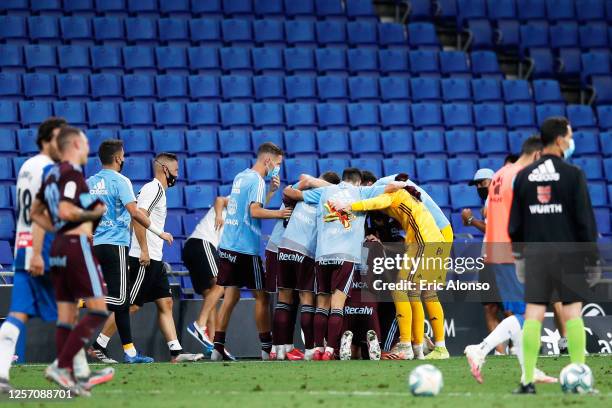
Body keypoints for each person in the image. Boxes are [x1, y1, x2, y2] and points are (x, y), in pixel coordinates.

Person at [0, 119, 111, 393]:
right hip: (47, 248)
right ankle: (73, 371)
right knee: (80, 311)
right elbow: (53, 213)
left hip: (26, 246)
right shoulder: (53, 170)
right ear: (50, 139)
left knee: (22, 314)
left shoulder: (28, 167)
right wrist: (42, 249)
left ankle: (8, 372)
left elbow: (33, 212)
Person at [508, 117, 597, 394]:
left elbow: (515, 225)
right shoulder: (574, 174)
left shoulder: (523, 176)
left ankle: (527, 382)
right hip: (569, 253)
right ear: (559, 140)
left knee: (534, 315)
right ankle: (580, 378)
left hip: (536, 254)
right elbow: (585, 221)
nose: (570, 142)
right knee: (573, 314)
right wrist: (592, 257)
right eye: (569, 137)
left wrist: (520, 257)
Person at [284, 168, 404, 360]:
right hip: (345, 256)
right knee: (337, 305)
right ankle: (331, 350)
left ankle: (316, 350)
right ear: (358, 182)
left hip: (322, 255)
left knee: (322, 304)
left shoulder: (324, 192)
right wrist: (402, 182)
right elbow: (390, 187)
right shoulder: (361, 192)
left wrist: (303, 183)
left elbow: (293, 194)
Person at [464, 136, 555, 384]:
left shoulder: (500, 175)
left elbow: (492, 214)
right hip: (513, 250)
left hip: (497, 250)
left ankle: (529, 371)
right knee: (526, 312)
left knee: (521, 312)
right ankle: (480, 349)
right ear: (537, 155)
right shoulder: (522, 177)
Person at [97, 153, 202, 363]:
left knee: (165, 302)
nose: (177, 174)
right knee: (130, 305)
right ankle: (98, 344)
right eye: (176, 170)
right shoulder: (153, 189)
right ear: (165, 169)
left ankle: (175, 352)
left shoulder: (159, 191)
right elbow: (138, 217)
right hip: (142, 257)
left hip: (155, 257)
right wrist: (144, 250)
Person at [334, 176, 449, 361]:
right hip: (435, 242)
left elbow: (376, 201)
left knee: (400, 291)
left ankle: (406, 345)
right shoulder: (409, 197)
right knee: (421, 294)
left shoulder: (394, 195)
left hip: (423, 244)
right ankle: (426, 347)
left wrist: (348, 206)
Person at [87, 140, 173, 364]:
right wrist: (159, 232)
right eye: (123, 156)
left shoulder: (90, 182)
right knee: (120, 300)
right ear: (117, 158)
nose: (124, 159)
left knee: (122, 301)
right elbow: (135, 213)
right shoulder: (121, 181)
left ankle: (129, 352)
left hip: (97, 244)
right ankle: (83, 301)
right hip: (116, 246)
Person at [212, 142, 291, 361]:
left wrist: (272, 191)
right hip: (245, 249)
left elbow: (249, 208)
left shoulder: (241, 176)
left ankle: (217, 348)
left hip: (228, 245)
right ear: (267, 160)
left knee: (231, 296)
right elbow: (255, 211)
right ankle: (267, 348)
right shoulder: (257, 180)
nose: (277, 168)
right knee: (262, 297)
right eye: (277, 163)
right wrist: (280, 213)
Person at [371, 173, 454, 360]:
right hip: (439, 234)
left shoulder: (382, 187)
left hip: (436, 237)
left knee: (422, 292)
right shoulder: (396, 185)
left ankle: (428, 346)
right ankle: (418, 346)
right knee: (416, 293)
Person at [272, 171, 341, 361]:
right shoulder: (328, 196)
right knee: (306, 298)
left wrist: (304, 182)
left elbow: (287, 193)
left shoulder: (302, 193)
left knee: (284, 298)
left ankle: (278, 349)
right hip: (306, 251)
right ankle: (310, 349)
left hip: (285, 247)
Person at [184, 196, 227, 354]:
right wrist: (218, 215)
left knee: (211, 295)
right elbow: (220, 199)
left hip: (191, 248)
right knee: (222, 283)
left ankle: (214, 343)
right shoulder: (238, 199)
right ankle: (199, 325)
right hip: (202, 243)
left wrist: (271, 191)